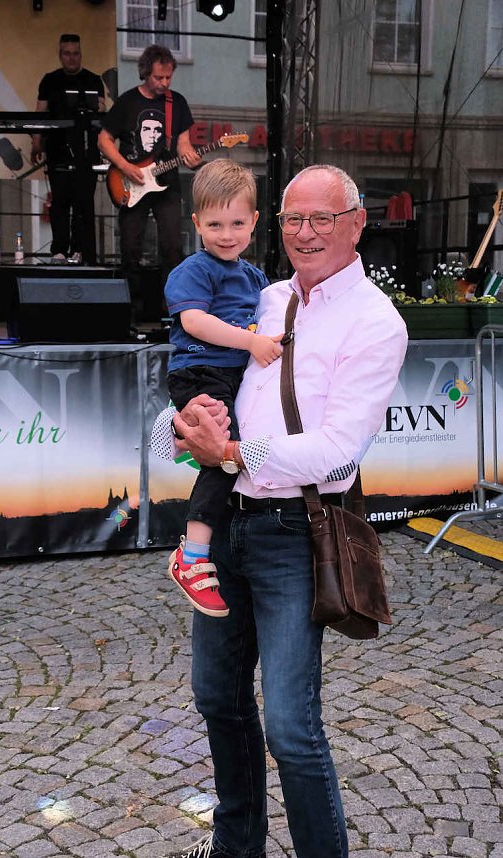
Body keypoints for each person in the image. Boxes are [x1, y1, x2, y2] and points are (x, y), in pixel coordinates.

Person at [152, 165, 408, 858]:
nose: (304, 232)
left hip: (294, 532)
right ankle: (237, 851)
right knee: (218, 701)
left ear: (357, 223)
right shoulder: (261, 299)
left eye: (321, 218)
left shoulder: (374, 323)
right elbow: (189, 415)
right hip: (226, 523)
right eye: (294, 218)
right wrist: (181, 429)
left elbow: (333, 453)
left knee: (291, 726)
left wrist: (228, 450)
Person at [165, 159, 283, 618]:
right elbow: (194, 322)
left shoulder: (255, 278)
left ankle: (178, 440)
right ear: (197, 224)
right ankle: (191, 556)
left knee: (227, 458)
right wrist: (251, 341)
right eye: (215, 224)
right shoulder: (194, 270)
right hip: (200, 373)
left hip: (232, 379)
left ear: (255, 222)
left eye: (237, 223)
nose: (227, 234)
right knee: (221, 457)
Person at [98, 45, 201, 314]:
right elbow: (104, 139)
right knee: (130, 247)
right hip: (130, 181)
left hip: (166, 183)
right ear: (145, 73)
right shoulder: (128, 102)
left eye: (168, 78)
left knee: (173, 247)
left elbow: (183, 144)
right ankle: (131, 310)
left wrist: (190, 156)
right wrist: (124, 166)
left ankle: (172, 310)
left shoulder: (176, 103)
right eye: (158, 78)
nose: (164, 83)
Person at [31, 34, 105, 265]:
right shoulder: (50, 80)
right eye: (67, 53)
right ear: (60, 55)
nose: (71, 58)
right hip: (58, 150)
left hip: (86, 151)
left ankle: (79, 250)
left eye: (76, 53)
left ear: (80, 55)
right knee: (60, 201)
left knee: (83, 202)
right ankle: (59, 251)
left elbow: (102, 112)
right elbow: (40, 113)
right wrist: (36, 142)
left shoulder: (93, 80)